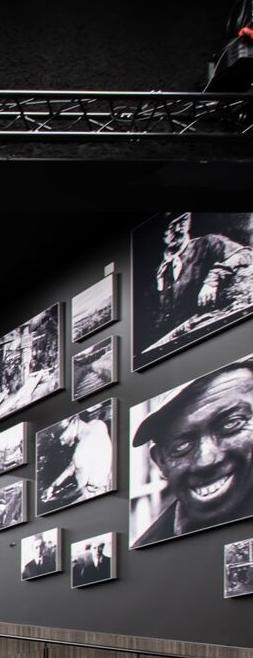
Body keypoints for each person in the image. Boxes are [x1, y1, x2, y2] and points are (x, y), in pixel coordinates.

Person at [132, 362, 253, 544]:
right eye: (182, 446)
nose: (206, 460)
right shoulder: (148, 550)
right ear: (161, 463)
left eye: (230, 424)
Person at [152, 212, 253, 344]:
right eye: (171, 227)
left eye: (183, 220)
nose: (178, 230)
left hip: (213, 334)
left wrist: (213, 279)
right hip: (178, 343)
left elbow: (246, 254)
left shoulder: (208, 243)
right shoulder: (160, 271)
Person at [43, 406, 114, 508]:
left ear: (73, 422)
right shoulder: (97, 424)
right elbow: (73, 465)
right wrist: (53, 485)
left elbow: (79, 490)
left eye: (62, 437)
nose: (62, 443)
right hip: (109, 481)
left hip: (96, 494)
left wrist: (54, 498)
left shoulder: (81, 452)